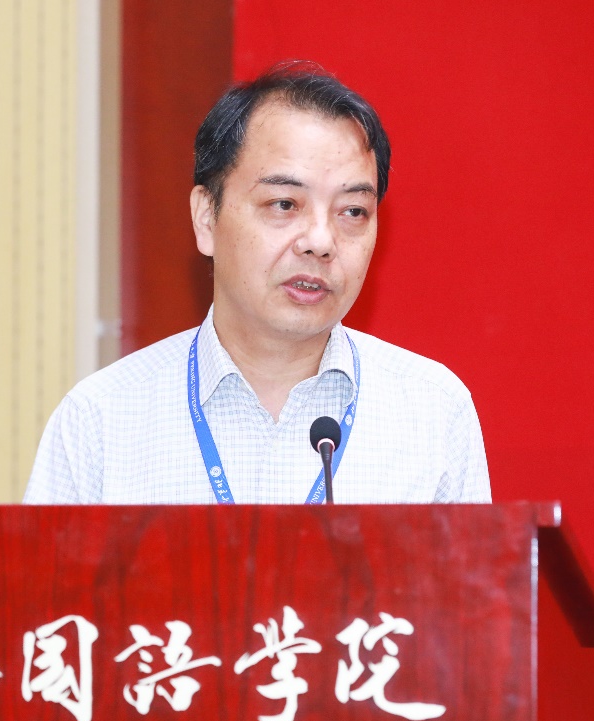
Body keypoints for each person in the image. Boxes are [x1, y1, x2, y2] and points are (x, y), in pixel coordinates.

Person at [25, 62, 490, 505]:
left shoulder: (433, 411)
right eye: (284, 204)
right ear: (206, 217)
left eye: (353, 211)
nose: (320, 242)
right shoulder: (101, 420)